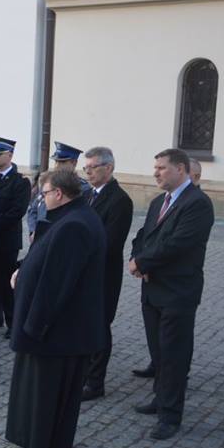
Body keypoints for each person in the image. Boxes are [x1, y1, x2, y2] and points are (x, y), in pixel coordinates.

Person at [5, 170, 106, 448]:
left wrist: (34, 327)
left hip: (56, 333)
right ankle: (42, 445)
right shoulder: (73, 217)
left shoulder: (73, 225)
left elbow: (56, 284)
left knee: (47, 394)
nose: (41, 198)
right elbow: (44, 257)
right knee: (48, 393)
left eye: (44, 193)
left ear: (59, 193)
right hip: (61, 332)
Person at [129, 148, 214, 441]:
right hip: (152, 289)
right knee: (159, 352)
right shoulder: (158, 202)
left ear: (181, 169)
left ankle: (170, 415)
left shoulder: (198, 204)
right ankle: (159, 398)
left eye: (162, 168)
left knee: (174, 354)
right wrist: (136, 257)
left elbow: (179, 244)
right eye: (155, 167)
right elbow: (143, 236)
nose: (156, 172)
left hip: (178, 291)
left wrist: (142, 262)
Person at [80, 147, 134, 401]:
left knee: (99, 326)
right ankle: (82, 372)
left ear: (109, 168)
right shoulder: (87, 194)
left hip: (103, 274)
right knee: (84, 323)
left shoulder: (120, 200)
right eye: (86, 168)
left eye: (93, 167)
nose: (87, 172)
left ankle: (95, 382)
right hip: (82, 272)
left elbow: (110, 242)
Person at [0, 139, 30, 333]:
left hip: (6, 240)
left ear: (9, 156)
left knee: (6, 283)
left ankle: (13, 322)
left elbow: (17, 211)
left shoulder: (20, 182)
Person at [26, 141, 89, 240]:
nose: (57, 166)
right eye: (56, 161)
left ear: (74, 163)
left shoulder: (83, 188)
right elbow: (33, 210)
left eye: (62, 162)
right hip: (39, 238)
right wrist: (33, 231)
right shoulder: (48, 183)